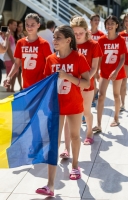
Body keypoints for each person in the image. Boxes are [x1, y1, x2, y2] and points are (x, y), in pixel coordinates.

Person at [36, 25, 90, 196]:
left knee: (75, 136)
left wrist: (67, 76)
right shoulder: (50, 59)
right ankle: (50, 185)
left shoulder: (79, 57)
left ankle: (75, 165)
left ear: (68, 40)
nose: (55, 40)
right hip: (55, 107)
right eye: (54, 37)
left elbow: (87, 83)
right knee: (53, 141)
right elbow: (46, 82)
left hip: (74, 104)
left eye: (58, 37)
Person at [59, 16, 102, 160]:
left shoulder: (93, 45)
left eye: (80, 33)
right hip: (70, 85)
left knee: (86, 111)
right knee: (68, 115)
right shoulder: (69, 44)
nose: (77, 36)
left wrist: (83, 81)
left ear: (86, 31)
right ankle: (66, 148)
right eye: (75, 33)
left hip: (86, 84)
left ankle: (89, 132)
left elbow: (95, 68)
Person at [92, 15, 127, 133]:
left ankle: (116, 118)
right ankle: (98, 124)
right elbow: (99, 57)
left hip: (117, 71)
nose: (110, 25)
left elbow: (122, 58)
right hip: (105, 72)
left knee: (116, 95)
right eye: (108, 23)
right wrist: (96, 71)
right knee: (101, 96)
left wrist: (116, 71)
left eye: (112, 23)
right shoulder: (101, 40)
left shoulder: (121, 39)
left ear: (117, 25)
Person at [4, 13, 52, 89]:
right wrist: (9, 76)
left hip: (40, 85)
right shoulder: (20, 43)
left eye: (32, 24)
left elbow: (50, 63)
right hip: (26, 86)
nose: (29, 27)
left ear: (38, 25)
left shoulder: (44, 44)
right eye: (27, 25)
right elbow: (17, 64)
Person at [90, 14, 105, 107]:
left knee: (96, 77)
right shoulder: (87, 33)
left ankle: (95, 93)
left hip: (98, 60)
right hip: (88, 60)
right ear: (90, 21)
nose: (97, 21)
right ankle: (92, 97)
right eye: (95, 20)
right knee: (91, 80)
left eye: (98, 20)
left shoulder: (101, 35)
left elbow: (102, 52)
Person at [119, 13, 128, 109]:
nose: (127, 23)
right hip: (124, 61)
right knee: (123, 81)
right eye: (125, 21)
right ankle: (122, 103)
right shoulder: (121, 35)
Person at [4, 19, 17, 92]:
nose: (16, 26)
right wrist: (13, 59)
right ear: (10, 25)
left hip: (11, 57)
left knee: (14, 73)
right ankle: (8, 88)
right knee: (10, 74)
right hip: (9, 58)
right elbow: (8, 48)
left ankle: (11, 88)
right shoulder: (7, 34)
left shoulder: (11, 34)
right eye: (14, 25)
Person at [14, 21, 27, 91]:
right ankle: (20, 85)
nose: (20, 28)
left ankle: (23, 85)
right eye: (19, 26)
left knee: (23, 71)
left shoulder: (24, 34)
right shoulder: (14, 35)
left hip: (24, 55)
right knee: (18, 71)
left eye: (21, 26)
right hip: (17, 54)